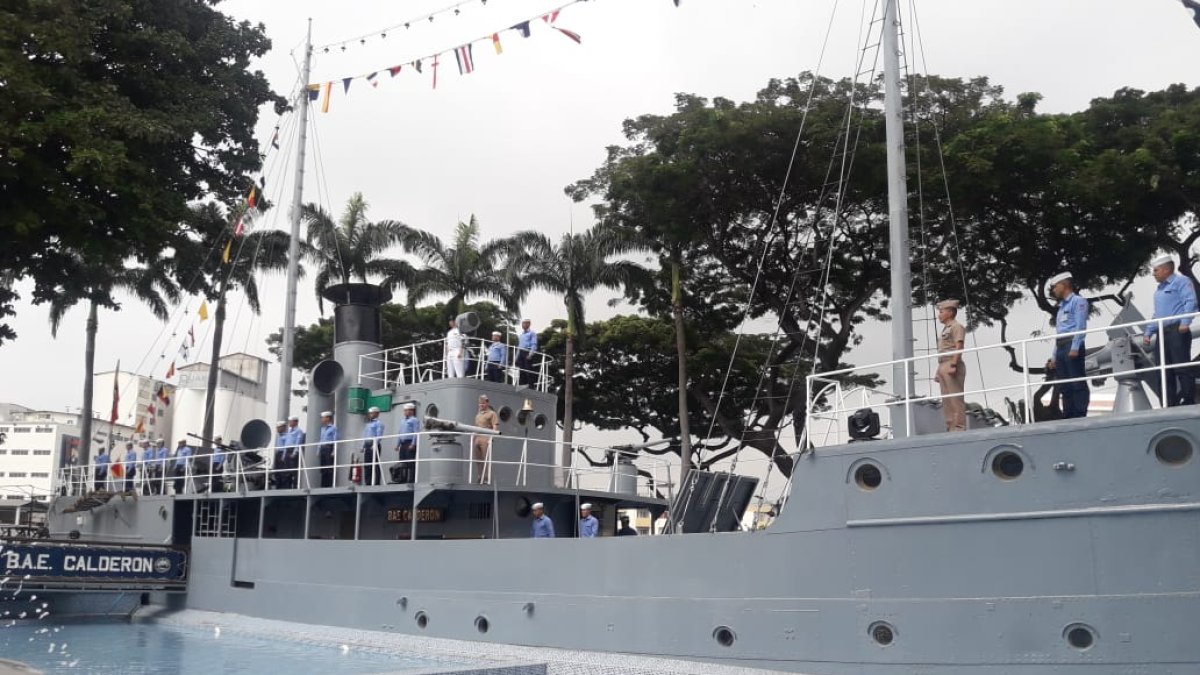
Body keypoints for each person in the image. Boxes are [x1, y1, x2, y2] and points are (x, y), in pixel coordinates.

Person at [1144, 254, 1198, 407]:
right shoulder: (1159, 290)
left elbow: (1190, 301)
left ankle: (1188, 400)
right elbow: (1158, 314)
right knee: (1163, 371)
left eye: (1156, 270)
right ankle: (1168, 403)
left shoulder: (1181, 282)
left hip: (1177, 330)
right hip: (1162, 331)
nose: (1153, 273)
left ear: (1166, 269)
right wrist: (1148, 332)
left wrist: (1185, 322)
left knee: (1181, 367)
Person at [1045, 271, 1090, 418]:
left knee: (1077, 381)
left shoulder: (1078, 301)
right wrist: (1054, 357)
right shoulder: (1061, 307)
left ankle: (1079, 413)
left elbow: (1080, 326)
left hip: (1072, 344)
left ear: (1064, 285)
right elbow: (1060, 333)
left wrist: (1075, 347)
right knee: (1064, 384)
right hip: (1061, 346)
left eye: (1055, 286)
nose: (1053, 290)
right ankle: (1068, 414)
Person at [934, 299, 968, 432]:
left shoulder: (956, 326)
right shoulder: (945, 329)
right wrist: (938, 371)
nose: (939, 315)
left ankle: (959, 427)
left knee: (955, 397)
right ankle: (950, 426)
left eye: (941, 312)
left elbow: (959, 345)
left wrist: (954, 364)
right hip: (943, 363)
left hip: (952, 362)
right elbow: (943, 350)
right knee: (946, 399)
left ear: (950, 312)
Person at [473, 395, 499, 484]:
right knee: (478, 459)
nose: (481, 405)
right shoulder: (478, 415)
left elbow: (495, 425)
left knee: (485, 459)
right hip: (477, 438)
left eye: (483, 403)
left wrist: (492, 437)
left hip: (486, 437)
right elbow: (476, 426)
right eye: (480, 403)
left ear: (487, 403)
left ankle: (486, 478)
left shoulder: (492, 414)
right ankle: (480, 476)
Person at [394, 403, 419, 483]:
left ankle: (411, 480)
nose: (405, 412)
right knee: (402, 462)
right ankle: (402, 479)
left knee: (410, 462)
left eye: (407, 410)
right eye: (404, 410)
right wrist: (397, 445)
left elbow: (416, 432)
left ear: (411, 411)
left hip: (409, 442)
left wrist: (413, 443)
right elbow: (400, 433)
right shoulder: (402, 421)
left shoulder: (414, 420)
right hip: (403, 443)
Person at [363, 406, 384, 486]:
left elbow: (379, 435)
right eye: (370, 413)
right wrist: (363, 446)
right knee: (367, 464)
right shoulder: (368, 424)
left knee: (375, 464)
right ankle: (367, 482)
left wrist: (375, 444)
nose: (370, 415)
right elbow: (365, 435)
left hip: (374, 444)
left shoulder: (379, 424)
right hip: (367, 445)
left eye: (372, 413)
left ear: (376, 414)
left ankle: (376, 482)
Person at [318, 411, 338, 488]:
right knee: (323, 467)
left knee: (329, 466)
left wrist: (334, 450)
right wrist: (318, 450)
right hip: (323, 448)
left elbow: (336, 440)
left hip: (329, 447)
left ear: (328, 418)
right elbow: (321, 439)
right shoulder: (322, 429)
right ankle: (323, 485)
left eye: (323, 418)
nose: (322, 419)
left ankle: (329, 484)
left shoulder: (333, 428)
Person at [516, 318, 538, 387]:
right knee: (521, 371)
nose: (524, 325)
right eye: (523, 323)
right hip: (521, 353)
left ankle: (531, 386)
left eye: (525, 323)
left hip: (527, 352)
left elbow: (534, 344)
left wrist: (530, 354)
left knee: (528, 370)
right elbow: (519, 347)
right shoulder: (521, 335)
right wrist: (516, 358)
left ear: (529, 324)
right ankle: (522, 385)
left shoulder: (532, 333)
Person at [285, 415, 305, 489]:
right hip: (288, 450)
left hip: (293, 450)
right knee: (287, 470)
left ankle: (295, 486)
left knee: (294, 470)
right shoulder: (289, 431)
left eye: (291, 421)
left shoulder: (299, 431)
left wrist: (294, 453)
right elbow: (287, 442)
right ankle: (287, 486)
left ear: (295, 422)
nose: (289, 423)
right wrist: (284, 454)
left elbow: (298, 442)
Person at [272, 421, 288, 489]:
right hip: (278, 453)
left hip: (283, 454)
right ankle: (278, 486)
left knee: (283, 471)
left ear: (283, 427)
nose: (278, 429)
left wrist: (283, 456)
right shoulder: (278, 436)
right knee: (277, 471)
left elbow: (286, 447)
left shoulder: (287, 436)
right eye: (277, 427)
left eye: (279, 427)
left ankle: (284, 487)